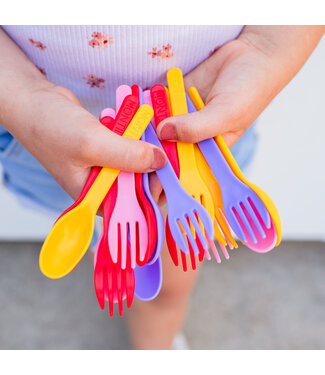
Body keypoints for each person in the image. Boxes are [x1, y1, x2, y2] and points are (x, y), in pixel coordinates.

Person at [0, 25, 323, 350]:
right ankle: (112, 238)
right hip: (40, 136)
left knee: (168, 288)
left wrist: (266, 50)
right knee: (105, 227)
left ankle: (156, 351)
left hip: (209, 119)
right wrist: (26, 100)